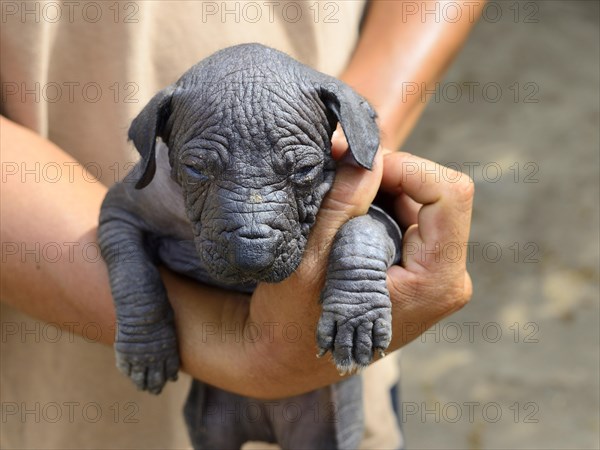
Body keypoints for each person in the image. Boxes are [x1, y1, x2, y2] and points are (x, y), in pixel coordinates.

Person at [0, 1, 481, 448]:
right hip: (90, 379)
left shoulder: (335, 153)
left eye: (301, 170)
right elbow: (119, 219)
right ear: (158, 147)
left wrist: (357, 263)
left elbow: (373, 223)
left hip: (325, 373)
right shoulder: (153, 190)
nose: (252, 235)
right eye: (197, 169)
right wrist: (143, 317)